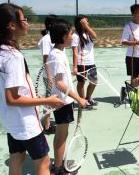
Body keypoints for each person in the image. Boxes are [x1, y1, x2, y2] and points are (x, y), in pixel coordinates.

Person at [0, 3, 63, 175]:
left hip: (10, 121)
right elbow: (12, 99)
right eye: (24, 19)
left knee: (17, 157)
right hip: (26, 123)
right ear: (12, 25)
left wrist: (32, 95)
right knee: (43, 163)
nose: (27, 23)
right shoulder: (13, 56)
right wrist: (47, 100)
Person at [48, 18, 88, 175]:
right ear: (63, 36)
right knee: (62, 136)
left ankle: (58, 164)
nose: (73, 36)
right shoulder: (57, 55)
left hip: (62, 101)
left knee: (61, 134)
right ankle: (58, 169)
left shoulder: (58, 52)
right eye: (71, 33)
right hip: (62, 102)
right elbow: (59, 83)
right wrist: (79, 98)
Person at [120, 4, 139, 104]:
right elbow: (123, 41)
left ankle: (125, 90)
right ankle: (131, 96)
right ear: (133, 14)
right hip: (132, 56)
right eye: (138, 13)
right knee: (133, 78)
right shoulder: (128, 26)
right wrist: (136, 43)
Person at [71, 14, 98, 109]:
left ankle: (88, 98)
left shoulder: (88, 33)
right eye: (85, 22)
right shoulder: (75, 35)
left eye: (87, 22)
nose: (87, 23)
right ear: (80, 23)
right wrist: (74, 66)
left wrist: (86, 26)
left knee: (94, 82)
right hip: (81, 63)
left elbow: (95, 36)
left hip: (91, 62)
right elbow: (74, 51)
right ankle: (83, 101)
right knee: (81, 83)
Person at [38, 14, 58, 134]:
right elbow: (46, 60)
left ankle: (48, 122)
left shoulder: (55, 37)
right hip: (49, 75)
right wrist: (50, 76)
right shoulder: (47, 39)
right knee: (49, 100)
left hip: (56, 74)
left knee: (52, 99)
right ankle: (47, 126)